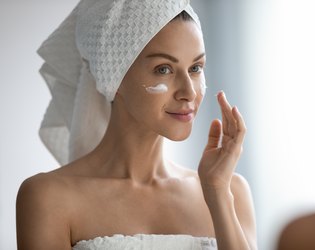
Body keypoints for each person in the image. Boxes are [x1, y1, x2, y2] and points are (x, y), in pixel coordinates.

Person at [16, 0, 257, 249]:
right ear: (113, 75)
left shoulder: (231, 191)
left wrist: (217, 193)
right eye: (164, 69)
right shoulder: (48, 198)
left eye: (195, 68)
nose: (189, 92)